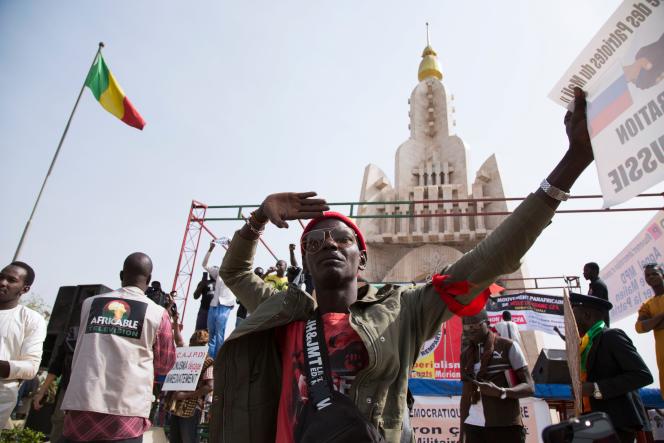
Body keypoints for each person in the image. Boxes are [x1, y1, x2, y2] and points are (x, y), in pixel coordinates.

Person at [209, 88, 598, 442]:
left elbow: (491, 258)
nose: (328, 244)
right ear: (306, 262)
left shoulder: (403, 311)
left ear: (362, 257)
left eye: (341, 238)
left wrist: (572, 163)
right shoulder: (284, 312)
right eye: (314, 242)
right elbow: (234, 273)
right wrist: (257, 219)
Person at [60, 252, 177, 443]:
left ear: (121, 275)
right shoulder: (157, 313)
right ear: (148, 280)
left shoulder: (89, 304)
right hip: (126, 413)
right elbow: (165, 364)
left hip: (81, 406)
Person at [572, 292, 652, 443]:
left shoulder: (611, 336)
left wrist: (595, 388)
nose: (570, 323)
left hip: (615, 423)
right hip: (590, 421)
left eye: (573, 316)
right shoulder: (584, 345)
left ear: (587, 315)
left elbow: (642, 375)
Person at [459, 310, 534, 443]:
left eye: (475, 325)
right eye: (467, 327)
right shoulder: (466, 355)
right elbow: (465, 397)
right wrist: (462, 434)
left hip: (505, 425)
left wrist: (501, 392)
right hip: (473, 426)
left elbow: (530, 387)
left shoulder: (508, 346)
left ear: (487, 324)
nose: (471, 330)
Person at [0, 261, 46, 429]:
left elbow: (31, 367)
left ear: (24, 289)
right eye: (1, 277)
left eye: (11, 280)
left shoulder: (31, 320)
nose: (3, 282)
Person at [33, 325, 78, 442]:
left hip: (96, 393)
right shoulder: (74, 333)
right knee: (59, 421)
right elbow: (57, 365)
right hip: (67, 389)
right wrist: (42, 391)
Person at [167, 330, 214, 443]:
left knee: (188, 439)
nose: (190, 345)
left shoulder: (208, 362)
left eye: (193, 343)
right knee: (175, 439)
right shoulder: (186, 356)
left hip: (192, 408)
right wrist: (175, 324)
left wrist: (185, 395)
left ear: (200, 344)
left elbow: (209, 387)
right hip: (176, 405)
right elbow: (179, 342)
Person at [201, 241, 236, 358]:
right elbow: (204, 265)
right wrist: (210, 249)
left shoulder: (236, 272)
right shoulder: (219, 272)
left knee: (220, 334)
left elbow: (236, 257)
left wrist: (231, 247)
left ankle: (218, 359)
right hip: (214, 305)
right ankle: (210, 359)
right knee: (211, 334)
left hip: (225, 305)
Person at [635, 263, 664, 399]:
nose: (651, 277)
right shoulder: (647, 305)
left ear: (662, 275)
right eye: (648, 275)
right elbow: (640, 327)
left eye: (654, 274)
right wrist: (661, 316)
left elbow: (647, 325)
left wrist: (653, 323)